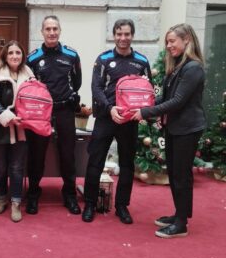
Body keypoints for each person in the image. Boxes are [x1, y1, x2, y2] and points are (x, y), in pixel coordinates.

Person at [131, 23, 206, 238]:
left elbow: (178, 101)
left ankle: (181, 224)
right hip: (175, 128)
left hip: (187, 129)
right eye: (167, 42)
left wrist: (145, 112)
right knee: (175, 173)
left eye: (172, 41)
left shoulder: (193, 68)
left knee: (181, 175)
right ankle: (180, 214)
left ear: (186, 41)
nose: (169, 46)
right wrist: (141, 104)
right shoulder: (178, 66)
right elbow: (166, 97)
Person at [82, 19, 151, 224]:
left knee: (127, 164)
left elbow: (148, 90)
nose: (123, 38)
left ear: (132, 35)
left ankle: (122, 206)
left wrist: (142, 111)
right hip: (105, 118)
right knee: (95, 161)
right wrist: (110, 108)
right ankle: (90, 204)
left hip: (129, 121)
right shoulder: (103, 60)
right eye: (119, 34)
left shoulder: (141, 61)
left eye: (127, 34)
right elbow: (96, 88)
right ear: (114, 35)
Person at [25, 15, 82, 215]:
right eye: (48, 29)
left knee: (67, 155)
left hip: (65, 110)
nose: (51, 32)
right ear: (41, 32)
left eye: (55, 29)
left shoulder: (71, 55)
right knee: (37, 155)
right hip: (41, 114)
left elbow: (77, 82)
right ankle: (33, 195)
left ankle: (69, 195)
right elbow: (28, 86)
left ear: (59, 31)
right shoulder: (32, 58)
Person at [0, 41, 34, 222]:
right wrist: (7, 116)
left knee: (16, 168)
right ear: (5, 56)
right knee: (0, 169)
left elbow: (34, 98)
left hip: (21, 128)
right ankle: (1, 198)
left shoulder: (30, 74)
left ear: (22, 55)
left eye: (18, 53)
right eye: (11, 53)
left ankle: (15, 202)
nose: (15, 56)